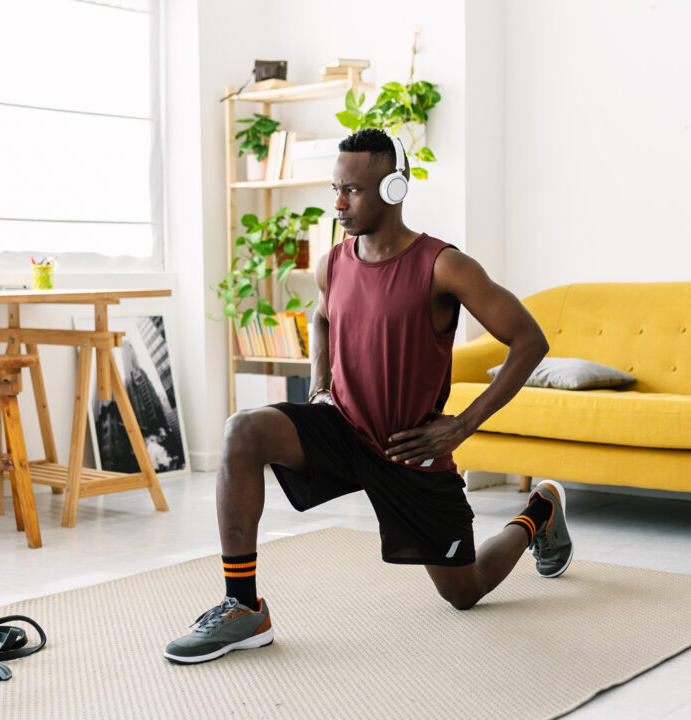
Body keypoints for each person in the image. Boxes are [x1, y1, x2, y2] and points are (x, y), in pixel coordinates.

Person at [164, 128, 571, 665]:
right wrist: (319, 388)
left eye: (352, 190)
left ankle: (538, 511)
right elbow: (321, 318)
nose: (338, 203)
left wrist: (462, 425)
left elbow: (529, 340)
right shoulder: (332, 262)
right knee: (244, 430)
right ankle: (243, 607)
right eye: (335, 188)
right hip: (343, 429)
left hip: (411, 451)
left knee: (464, 593)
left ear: (395, 189)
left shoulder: (444, 266)